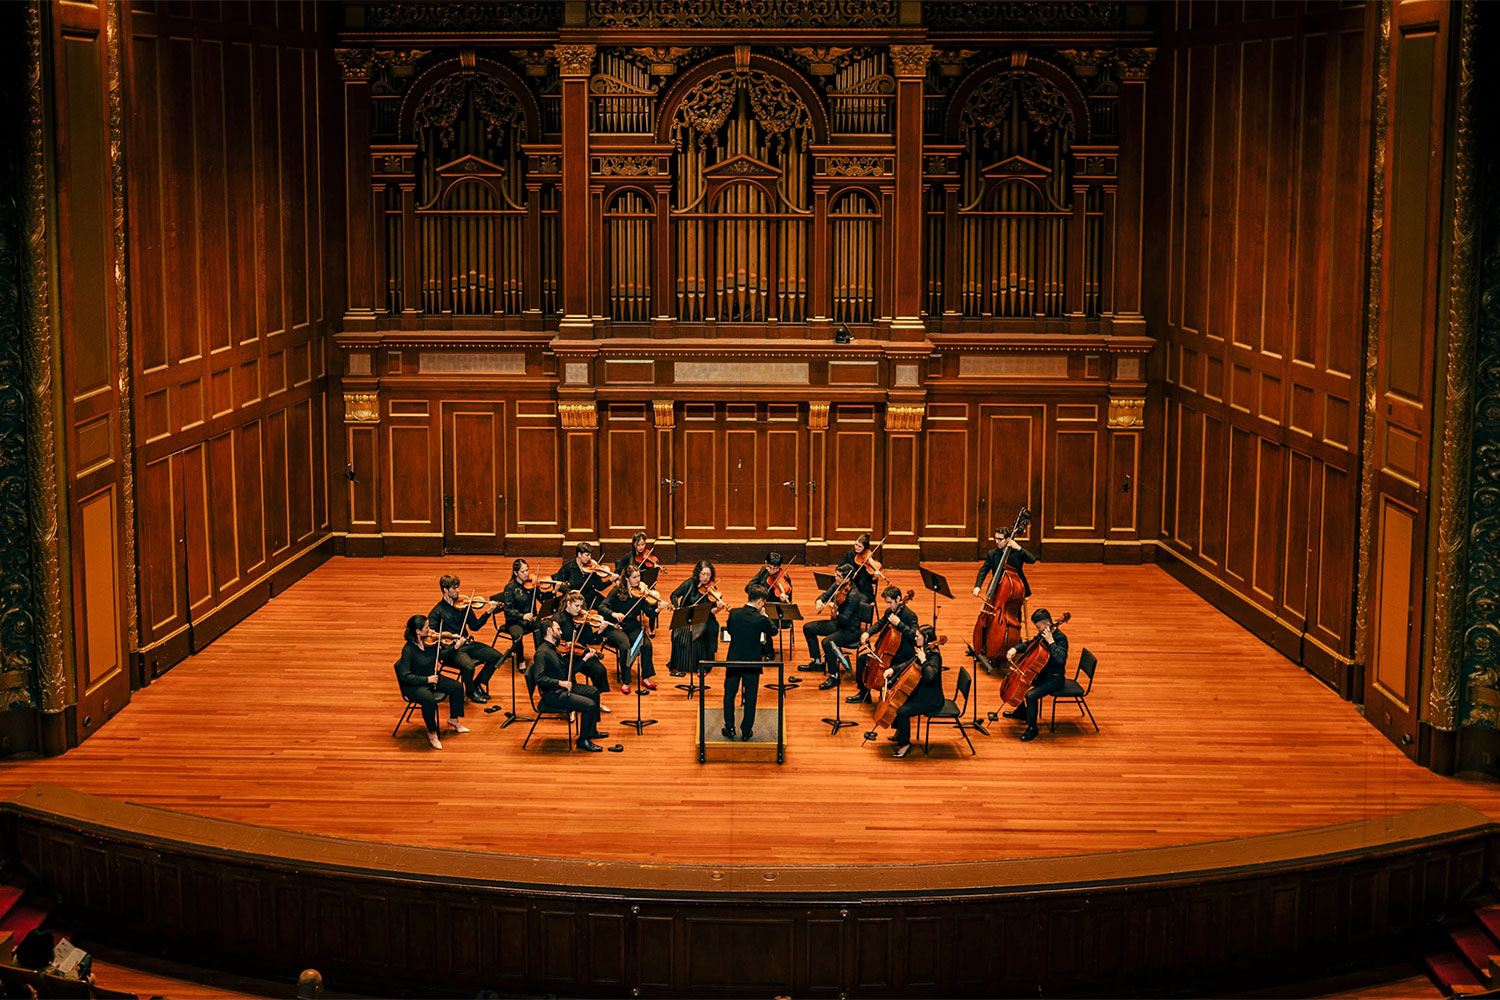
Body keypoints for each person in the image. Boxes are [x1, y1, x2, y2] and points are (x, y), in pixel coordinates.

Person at [528, 616, 608, 752]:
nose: (561, 632)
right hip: (553, 694)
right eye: (558, 629)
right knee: (589, 705)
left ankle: (591, 731)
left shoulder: (555, 648)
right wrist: (560, 682)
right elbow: (539, 678)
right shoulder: (541, 653)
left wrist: (584, 659)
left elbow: (570, 673)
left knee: (594, 692)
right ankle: (583, 741)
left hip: (562, 688)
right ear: (549, 631)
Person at [393, 614, 468, 750]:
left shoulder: (430, 643)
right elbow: (405, 676)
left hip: (431, 677)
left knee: (457, 687)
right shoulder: (408, 650)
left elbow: (441, 656)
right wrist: (426, 680)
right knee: (429, 700)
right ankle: (432, 732)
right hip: (415, 685)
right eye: (427, 628)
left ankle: (453, 719)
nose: (430, 630)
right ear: (418, 632)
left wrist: (455, 647)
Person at [427, 574, 504, 703]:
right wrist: (450, 638)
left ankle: (477, 683)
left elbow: (475, 626)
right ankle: (470, 692)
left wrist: (488, 612)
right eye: (454, 588)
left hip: (467, 643)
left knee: (497, 657)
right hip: (453, 649)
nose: (458, 591)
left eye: (458, 588)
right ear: (445, 590)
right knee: (468, 666)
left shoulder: (463, 606)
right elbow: (432, 637)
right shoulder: (437, 612)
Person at [1002, 608, 1069, 742]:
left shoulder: (1060, 638)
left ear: (1047, 624)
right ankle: (1021, 712)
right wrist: (1015, 648)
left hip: (1055, 678)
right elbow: (1029, 644)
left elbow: (1061, 660)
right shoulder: (1042, 634)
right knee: (1019, 681)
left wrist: (1051, 642)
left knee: (1030, 696)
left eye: (1038, 627)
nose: (1038, 630)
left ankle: (1032, 728)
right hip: (1042, 674)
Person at [722, 583, 777, 741]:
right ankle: (746, 731)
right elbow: (773, 631)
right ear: (760, 602)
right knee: (751, 697)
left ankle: (730, 728)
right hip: (752, 662)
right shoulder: (760, 619)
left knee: (729, 694)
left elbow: (731, 631)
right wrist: (766, 617)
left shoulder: (733, 613)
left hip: (734, 660)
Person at [850, 585, 919, 705]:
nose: (888, 606)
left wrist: (900, 624)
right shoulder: (890, 611)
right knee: (862, 660)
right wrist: (867, 633)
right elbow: (880, 624)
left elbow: (914, 636)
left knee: (883, 671)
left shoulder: (910, 616)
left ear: (898, 599)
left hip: (901, 656)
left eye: (890, 602)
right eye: (887, 603)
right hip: (888, 652)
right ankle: (863, 694)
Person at [805, 564, 865, 689]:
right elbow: (825, 595)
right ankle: (817, 662)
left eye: (838, 576)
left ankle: (834, 676)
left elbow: (844, 620)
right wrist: (819, 601)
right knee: (808, 628)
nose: (835, 577)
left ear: (847, 579)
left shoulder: (853, 595)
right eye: (836, 574)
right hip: (838, 623)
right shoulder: (838, 585)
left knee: (827, 642)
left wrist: (835, 610)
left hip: (850, 630)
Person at [890, 625, 946, 758]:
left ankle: (905, 744)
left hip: (932, 699)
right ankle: (900, 732)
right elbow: (909, 663)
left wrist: (924, 660)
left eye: (917, 636)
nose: (914, 639)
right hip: (922, 692)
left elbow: (930, 676)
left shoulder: (935, 656)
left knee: (902, 711)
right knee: (899, 700)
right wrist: (893, 669)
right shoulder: (924, 649)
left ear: (926, 637)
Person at [602, 564, 658, 693]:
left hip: (633, 626)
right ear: (627, 579)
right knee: (625, 647)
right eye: (634, 577)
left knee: (646, 645)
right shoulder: (616, 591)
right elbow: (602, 607)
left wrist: (657, 609)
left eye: (639, 576)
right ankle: (626, 680)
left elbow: (649, 613)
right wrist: (613, 614)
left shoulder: (640, 594)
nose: (638, 580)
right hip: (616, 627)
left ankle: (646, 677)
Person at [555, 589, 613, 712]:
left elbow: (590, 640)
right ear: (568, 604)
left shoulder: (583, 619)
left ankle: (596, 702)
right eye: (576, 606)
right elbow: (554, 639)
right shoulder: (559, 619)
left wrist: (599, 631)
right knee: (569, 676)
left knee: (600, 670)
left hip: (581, 653)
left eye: (581, 606)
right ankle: (571, 707)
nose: (579, 609)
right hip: (564, 654)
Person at [668, 560, 726, 676]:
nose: (706, 578)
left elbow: (712, 611)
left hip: (704, 618)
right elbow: (674, 595)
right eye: (703, 574)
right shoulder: (689, 583)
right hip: (687, 616)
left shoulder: (712, 588)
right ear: (698, 573)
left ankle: (702, 666)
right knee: (677, 634)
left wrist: (719, 608)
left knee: (700, 633)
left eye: (708, 575)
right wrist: (677, 608)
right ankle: (678, 664)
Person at [496, 558, 546, 669]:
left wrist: (552, 591)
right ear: (515, 573)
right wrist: (522, 616)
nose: (526, 574)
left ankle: (540, 658)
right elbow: (508, 611)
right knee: (517, 636)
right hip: (515, 621)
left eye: (527, 570)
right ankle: (520, 659)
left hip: (531, 619)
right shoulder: (510, 588)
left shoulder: (531, 585)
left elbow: (542, 599)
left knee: (542, 627)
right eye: (523, 571)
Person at [974, 525, 1038, 600]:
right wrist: (977, 586)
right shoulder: (992, 554)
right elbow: (983, 571)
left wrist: (1019, 548)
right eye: (995, 538)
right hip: (998, 589)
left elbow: (1032, 560)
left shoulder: (1017, 552)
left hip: (1016, 589)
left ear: (1008, 539)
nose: (997, 542)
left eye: (1000, 539)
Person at [552, 541, 615, 607]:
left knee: (606, 606)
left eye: (590, 555)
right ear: (579, 554)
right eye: (587, 555)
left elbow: (599, 587)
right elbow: (557, 585)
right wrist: (571, 592)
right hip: (574, 599)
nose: (589, 558)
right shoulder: (568, 567)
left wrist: (610, 580)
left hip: (590, 596)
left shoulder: (592, 568)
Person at [840, 533, 880, 603]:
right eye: (856, 545)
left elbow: (871, 580)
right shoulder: (849, 554)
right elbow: (839, 568)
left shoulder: (869, 559)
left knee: (857, 602)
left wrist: (874, 577)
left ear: (865, 547)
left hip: (863, 591)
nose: (856, 548)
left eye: (859, 546)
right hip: (849, 587)